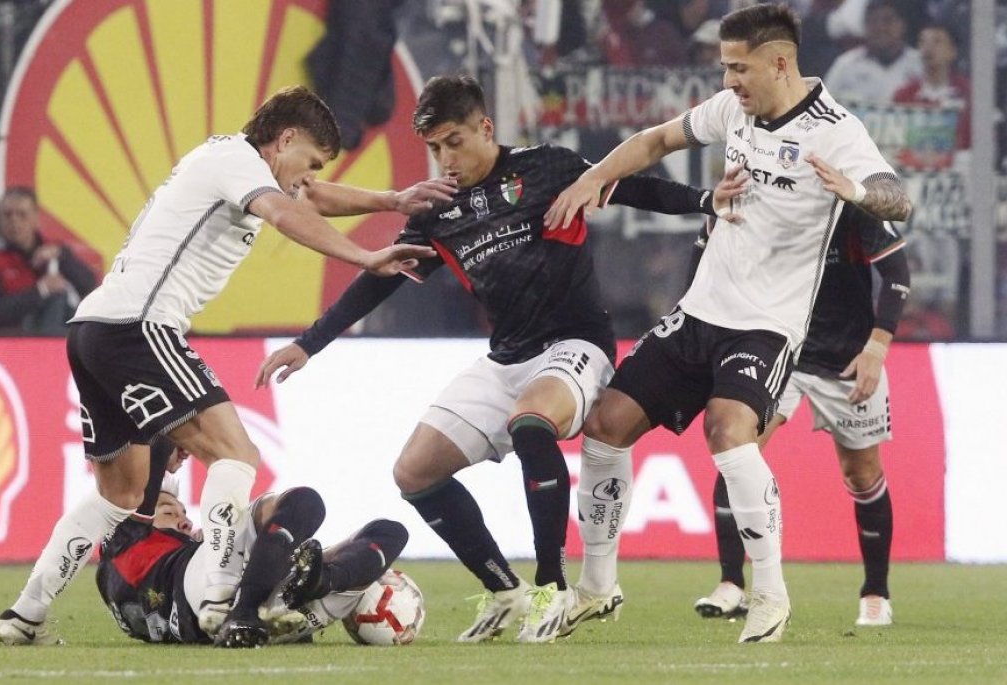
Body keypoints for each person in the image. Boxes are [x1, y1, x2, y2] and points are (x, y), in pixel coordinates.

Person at [256, 74, 734, 644]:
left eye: (454, 141)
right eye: (434, 148)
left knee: (532, 423)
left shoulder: (546, 167)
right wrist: (308, 343)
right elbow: (380, 280)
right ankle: (505, 590)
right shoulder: (437, 210)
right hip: (505, 358)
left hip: (574, 346)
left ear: (485, 128)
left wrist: (706, 201)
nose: (445, 159)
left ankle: (552, 588)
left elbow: (630, 186)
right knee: (414, 472)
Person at [0, 85, 451, 648]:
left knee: (121, 495)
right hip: (139, 326)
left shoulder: (232, 162)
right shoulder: (238, 163)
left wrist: (393, 201)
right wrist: (364, 255)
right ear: (283, 141)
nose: (305, 178)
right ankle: (218, 598)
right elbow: (286, 212)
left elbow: (311, 196)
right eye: (305, 162)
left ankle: (25, 616)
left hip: (93, 330)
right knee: (236, 453)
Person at [545, 3, 911, 643]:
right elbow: (658, 139)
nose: (730, 80)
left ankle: (769, 596)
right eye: (725, 68)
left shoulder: (836, 130)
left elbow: (897, 197)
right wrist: (597, 176)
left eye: (739, 68)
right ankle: (597, 588)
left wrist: (855, 192)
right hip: (700, 311)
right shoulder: (732, 110)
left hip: (767, 325)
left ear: (780, 61)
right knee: (604, 426)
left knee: (729, 431)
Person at [691, 204, 910, 627]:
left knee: (862, 475)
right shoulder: (751, 198)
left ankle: (876, 593)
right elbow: (701, 266)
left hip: (846, 360)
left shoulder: (848, 204)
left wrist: (877, 348)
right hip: (777, 350)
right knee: (737, 446)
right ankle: (732, 584)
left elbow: (898, 275)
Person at [95, 441, 410, 648]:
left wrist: (318, 564)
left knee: (391, 532)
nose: (185, 520)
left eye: (183, 513)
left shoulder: (139, 574)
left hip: (266, 609)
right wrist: (174, 441)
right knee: (304, 502)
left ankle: (318, 582)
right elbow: (145, 459)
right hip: (205, 596)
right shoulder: (127, 543)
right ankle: (246, 611)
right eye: (168, 511)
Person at [0, 186, 98, 333]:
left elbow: (90, 286)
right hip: (7, 343)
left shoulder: (55, 251)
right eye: (7, 215)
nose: (14, 221)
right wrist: (40, 290)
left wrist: (63, 258)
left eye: (22, 215)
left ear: (36, 218)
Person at [824, 0, 922, 104]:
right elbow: (823, 105)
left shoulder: (920, 63)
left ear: (902, 25)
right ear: (864, 26)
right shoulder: (846, 65)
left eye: (887, 20)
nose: (880, 28)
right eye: (873, 21)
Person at [893, 23, 971, 152]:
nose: (928, 48)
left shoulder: (968, 92)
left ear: (952, 51)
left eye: (937, 41)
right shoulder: (903, 95)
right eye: (923, 42)